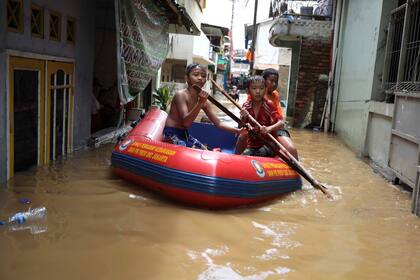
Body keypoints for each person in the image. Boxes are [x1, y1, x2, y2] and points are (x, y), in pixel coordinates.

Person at [163, 63, 247, 149]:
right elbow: (186, 123)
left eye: (203, 76)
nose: (200, 78)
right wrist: (200, 103)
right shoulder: (181, 95)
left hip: (184, 134)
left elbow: (218, 123)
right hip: (171, 133)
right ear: (187, 78)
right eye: (196, 75)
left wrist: (238, 131)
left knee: (205, 150)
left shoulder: (204, 101)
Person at [235, 68, 298, 159]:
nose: (274, 84)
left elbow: (280, 121)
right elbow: (241, 125)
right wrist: (243, 117)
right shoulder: (250, 101)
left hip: (273, 128)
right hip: (258, 132)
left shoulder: (273, 97)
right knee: (243, 136)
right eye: (271, 81)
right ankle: (235, 158)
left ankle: (296, 170)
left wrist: (269, 128)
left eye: (276, 82)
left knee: (291, 148)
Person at [239, 76, 284, 157]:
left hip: (269, 144)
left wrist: (269, 128)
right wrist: (243, 117)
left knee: (259, 154)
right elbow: (240, 127)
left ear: (265, 90)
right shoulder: (246, 106)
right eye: (254, 88)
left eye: (261, 88)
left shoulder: (269, 105)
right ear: (248, 91)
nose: (258, 91)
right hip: (252, 145)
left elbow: (281, 123)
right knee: (245, 155)